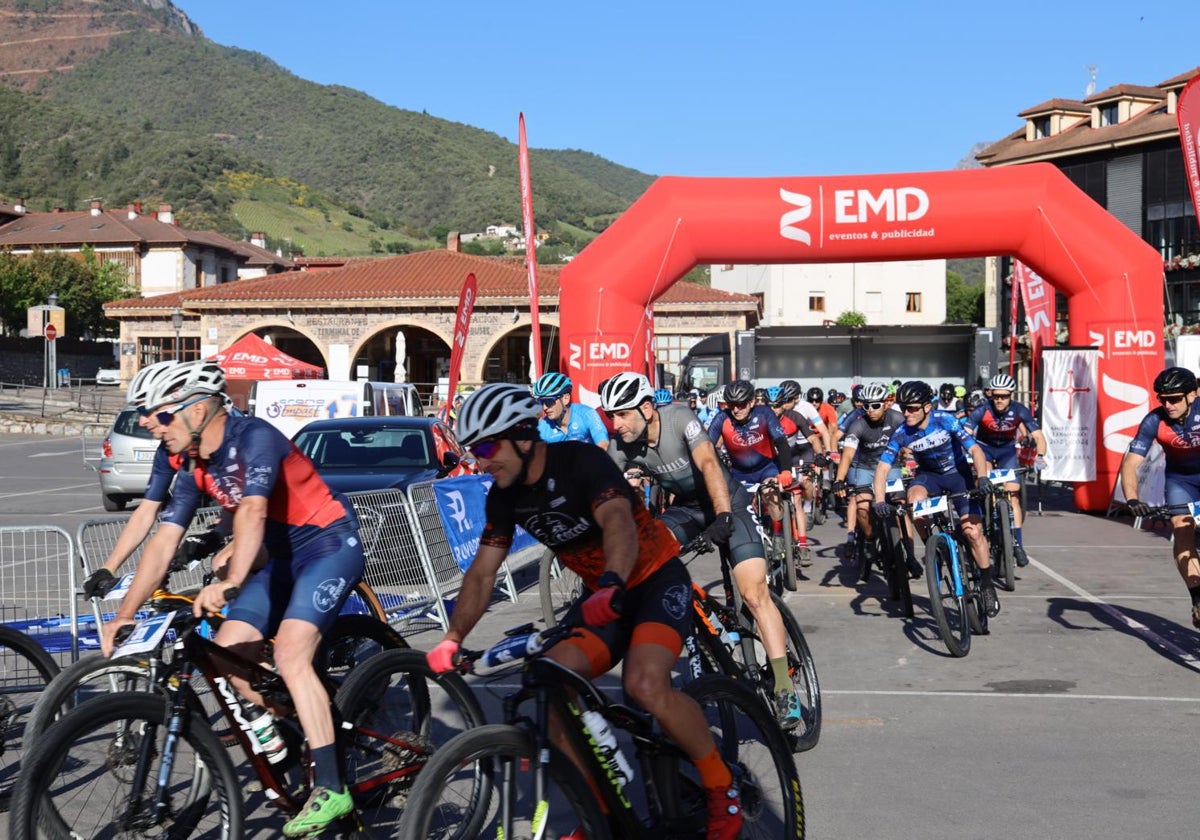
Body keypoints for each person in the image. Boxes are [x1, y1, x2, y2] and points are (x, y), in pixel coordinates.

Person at [425, 383, 744, 839]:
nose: (481, 458)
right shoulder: (504, 493)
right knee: (550, 687)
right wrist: (452, 638)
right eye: (475, 448)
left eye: (488, 445)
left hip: (651, 580)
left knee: (645, 684)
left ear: (523, 435)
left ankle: (721, 784)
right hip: (603, 600)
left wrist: (612, 581)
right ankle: (597, 814)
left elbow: (617, 521)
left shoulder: (580, 461)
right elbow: (481, 574)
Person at [99, 360, 366, 837]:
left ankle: (332, 787)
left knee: (290, 653)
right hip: (277, 557)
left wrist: (230, 580)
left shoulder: (254, 438)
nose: (151, 427)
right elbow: (163, 538)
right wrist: (124, 613)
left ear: (198, 409)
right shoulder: (194, 464)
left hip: (326, 545)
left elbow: (253, 511)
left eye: (160, 417)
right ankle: (299, 725)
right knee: (228, 654)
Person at [599, 373, 807, 728]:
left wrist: (724, 515)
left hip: (731, 503)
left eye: (621, 414)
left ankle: (785, 688)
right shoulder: (621, 445)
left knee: (754, 594)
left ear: (647, 408)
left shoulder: (680, 418)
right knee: (646, 560)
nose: (615, 424)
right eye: (609, 415)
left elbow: (709, 463)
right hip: (687, 509)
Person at [873, 380, 1000, 617]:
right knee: (913, 501)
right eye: (903, 408)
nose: (906, 413)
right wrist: (879, 501)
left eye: (911, 408)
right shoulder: (902, 433)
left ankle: (986, 583)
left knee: (973, 532)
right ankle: (933, 543)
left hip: (957, 475)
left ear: (926, 407)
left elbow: (975, 450)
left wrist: (982, 478)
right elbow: (881, 468)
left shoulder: (946, 420)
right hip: (929, 477)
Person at [1120, 366, 1200, 629]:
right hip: (1181, 481)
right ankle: (1197, 597)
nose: (1168, 405)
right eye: (1163, 399)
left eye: (1175, 398)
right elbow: (1131, 463)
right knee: (1181, 528)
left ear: (1192, 395)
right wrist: (1132, 499)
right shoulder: (1154, 420)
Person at [832, 382, 920, 577]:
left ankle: (910, 555)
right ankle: (870, 539)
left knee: (901, 507)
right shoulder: (858, 424)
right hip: (866, 468)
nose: (870, 410)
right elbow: (847, 455)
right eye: (866, 406)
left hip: (891, 468)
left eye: (875, 405)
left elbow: (910, 442)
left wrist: (910, 457)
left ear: (886, 404)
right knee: (862, 507)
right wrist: (839, 479)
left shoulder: (897, 418)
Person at [963, 373, 1047, 567]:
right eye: (996, 396)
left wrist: (1040, 457)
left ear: (1011, 395)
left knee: (1013, 494)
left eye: (1004, 396)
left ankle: (1017, 544)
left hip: (1007, 452)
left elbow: (1038, 436)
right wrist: (966, 453)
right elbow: (965, 433)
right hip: (984, 449)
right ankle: (982, 520)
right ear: (991, 394)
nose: (999, 400)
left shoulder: (1019, 410)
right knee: (983, 483)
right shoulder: (982, 410)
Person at [707, 380, 795, 563]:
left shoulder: (765, 413)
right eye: (731, 405)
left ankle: (778, 535)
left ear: (752, 402)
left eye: (741, 404)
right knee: (741, 510)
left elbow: (781, 443)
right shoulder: (721, 418)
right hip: (739, 473)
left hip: (766, 468)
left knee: (771, 495)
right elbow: (705, 448)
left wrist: (785, 470)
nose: (736, 409)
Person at [767, 385, 826, 567]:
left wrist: (819, 455)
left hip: (792, 460)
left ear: (784, 404)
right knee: (770, 497)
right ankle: (775, 536)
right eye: (769, 405)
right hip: (771, 463)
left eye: (777, 405)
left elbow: (814, 439)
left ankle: (802, 544)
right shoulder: (761, 419)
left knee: (797, 499)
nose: (773, 409)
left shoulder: (795, 417)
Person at [532, 371, 609, 450]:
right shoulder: (543, 427)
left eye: (549, 401)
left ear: (566, 399)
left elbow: (603, 445)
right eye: (542, 402)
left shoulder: (588, 414)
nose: (545, 407)